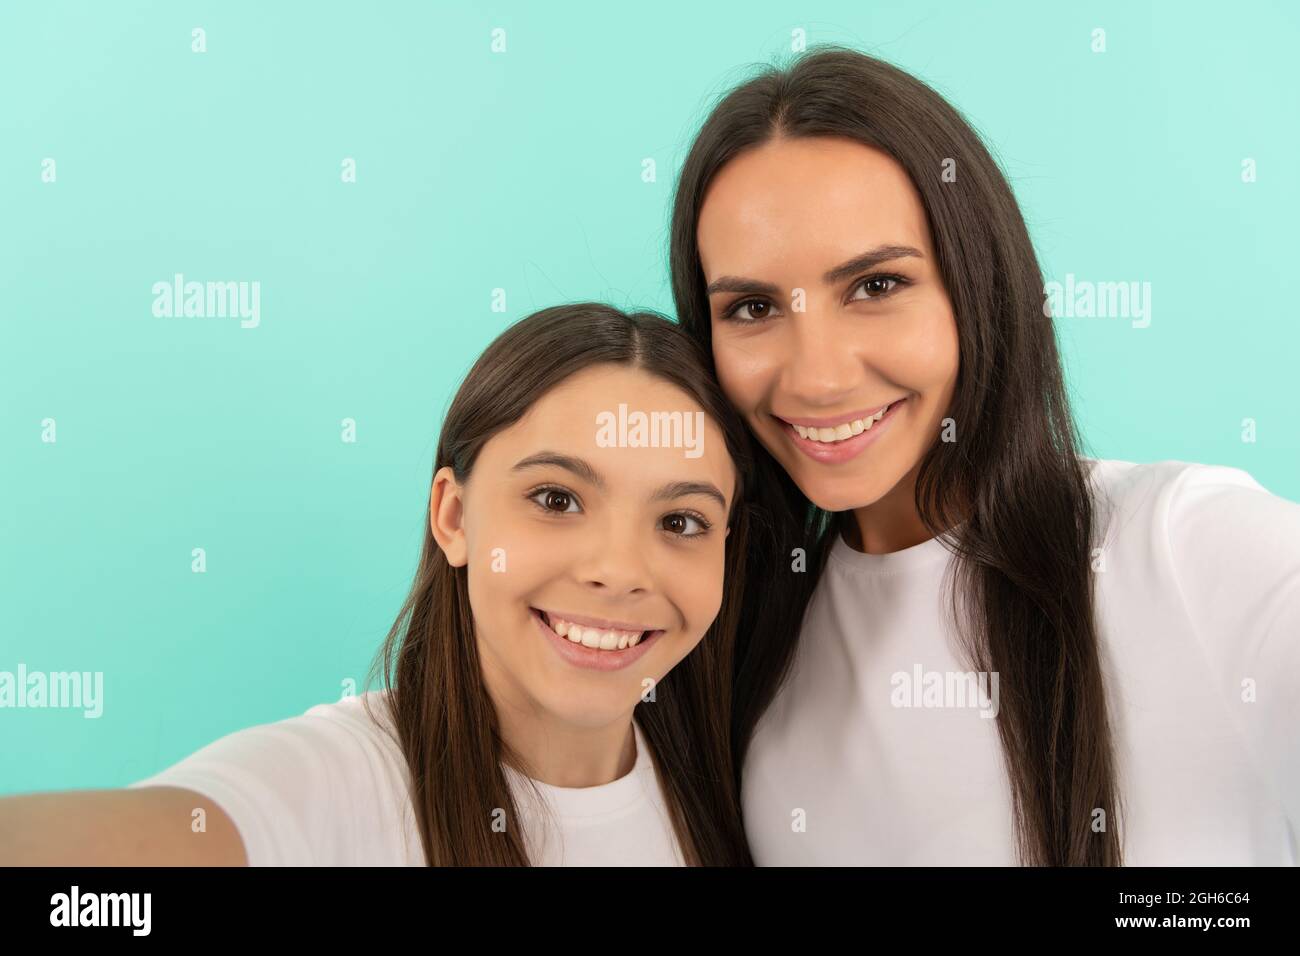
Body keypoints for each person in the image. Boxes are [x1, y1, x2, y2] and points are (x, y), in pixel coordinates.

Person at [668, 45, 1300, 865]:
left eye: (875, 286)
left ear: (977, 284)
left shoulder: (1187, 549)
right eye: (752, 306)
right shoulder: (734, 641)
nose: (817, 376)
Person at [0, 303, 758, 866]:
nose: (619, 571)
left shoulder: (740, 788)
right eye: (557, 499)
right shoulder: (337, 783)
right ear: (454, 516)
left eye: (682, 521)